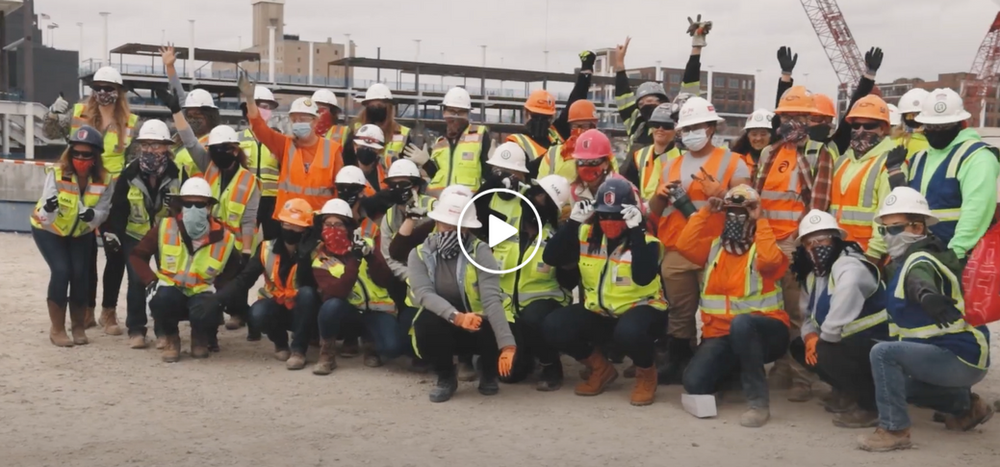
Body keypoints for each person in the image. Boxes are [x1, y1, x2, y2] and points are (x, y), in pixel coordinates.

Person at [858, 187, 993, 452]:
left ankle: (895, 430)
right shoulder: (905, 261)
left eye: (895, 229)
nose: (888, 236)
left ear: (917, 228)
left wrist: (927, 296)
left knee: (883, 354)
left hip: (957, 355)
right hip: (958, 357)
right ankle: (966, 407)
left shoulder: (919, 258)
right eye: (885, 229)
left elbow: (919, 280)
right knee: (894, 383)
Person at [648, 96, 752, 384]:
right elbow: (656, 211)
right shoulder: (670, 166)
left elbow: (749, 201)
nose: (691, 133)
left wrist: (722, 192)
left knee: (717, 310)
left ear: (710, 127)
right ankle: (680, 358)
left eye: (698, 126)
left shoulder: (734, 161)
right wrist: (657, 196)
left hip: (717, 248)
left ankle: (719, 363)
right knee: (679, 311)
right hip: (677, 247)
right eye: (686, 128)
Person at [542, 179, 667, 406]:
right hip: (601, 313)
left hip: (642, 312)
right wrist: (572, 223)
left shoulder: (648, 242)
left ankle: (646, 374)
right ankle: (600, 368)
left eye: (616, 216)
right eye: (604, 215)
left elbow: (642, 276)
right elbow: (551, 257)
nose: (609, 221)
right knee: (554, 324)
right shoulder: (587, 235)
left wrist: (637, 231)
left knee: (628, 331)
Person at [676, 185, 790, 427]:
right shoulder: (714, 247)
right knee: (694, 382)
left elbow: (770, 261)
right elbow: (684, 245)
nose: (736, 218)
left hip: (766, 333)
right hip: (721, 334)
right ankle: (734, 377)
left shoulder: (764, 246)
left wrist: (760, 220)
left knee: (742, 324)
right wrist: (707, 210)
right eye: (731, 212)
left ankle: (758, 403)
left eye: (743, 212)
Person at [43, 65, 138, 331]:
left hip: (114, 193)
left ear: (118, 92)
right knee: (84, 253)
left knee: (115, 252)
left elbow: (135, 160)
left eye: (108, 89)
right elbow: (49, 133)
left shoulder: (131, 122)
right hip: (80, 188)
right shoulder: (77, 113)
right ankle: (86, 309)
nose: (102, 93)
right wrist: (53, 113)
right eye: (97, 88)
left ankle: (109, 312)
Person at [475, 144, 575, 387]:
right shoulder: (508, 229)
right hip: (509, 309)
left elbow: (569, 281)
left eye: (544, 199)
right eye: (536, 194)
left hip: (542, 309)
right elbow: (476, 213)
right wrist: (491, 184)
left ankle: (552, 366)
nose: (537, 200)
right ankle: (525, 353)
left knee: (533, 319)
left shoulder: (554, 237)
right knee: (509, 374)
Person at [754, 85, 830, 401]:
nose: (791, 120)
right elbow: (757, 200)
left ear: (809, 118)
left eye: (798, 115)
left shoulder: (817, 153)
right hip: (767, 244)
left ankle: (802, 377)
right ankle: (781, 368)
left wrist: (806, 247)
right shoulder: (769, 153)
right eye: (786, 114)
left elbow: (820, 205)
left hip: (796, 246)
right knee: (770, 312)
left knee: (799, 315)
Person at [409, 192, 517, 402]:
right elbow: (423, 293)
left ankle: (488, 372)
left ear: (466, 228)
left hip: (479, 321)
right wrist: (455, 316)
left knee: (490, 326)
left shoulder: (481, 252)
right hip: (446, 321)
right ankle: (446, 377)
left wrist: (507, 344)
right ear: (437, 222)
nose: (450, 230)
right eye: (446, 224)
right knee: (425, 324)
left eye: (457, 226)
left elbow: (491, 299)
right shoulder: (419, 254)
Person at [788, 210, 888, 428]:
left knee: (825, 351)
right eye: (809, 243)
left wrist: (823, 339)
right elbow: (807, 317)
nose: (816, 247)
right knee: (799, 346)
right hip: (847, 343)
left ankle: (871, 406)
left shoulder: (850, 266)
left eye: (822, 239)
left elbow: (846, 294)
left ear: (835, 239)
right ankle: (848, 390)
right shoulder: (814, 277)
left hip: (877, 343)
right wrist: (810, 336)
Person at [128, 178, 239, 362]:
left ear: (209, 207)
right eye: (188, 203)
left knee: (211, 303)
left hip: (202, 292)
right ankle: (171, 339)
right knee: (161, 298)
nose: (193, 209)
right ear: (181, 205)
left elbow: (235, 267)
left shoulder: (224, 237)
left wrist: (221, 290)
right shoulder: (165, 227)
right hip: (171, 290)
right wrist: (150, 281)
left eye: (199, 204)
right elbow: (136, 255)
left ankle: (200, 338)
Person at [30, 125, 115, 347]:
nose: (80, 157)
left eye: (86, 154)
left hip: (81, 232)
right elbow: (45, 213)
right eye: (75, 152)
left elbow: (104, 212)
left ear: (96, 156)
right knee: (61, 271)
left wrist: (92, 215)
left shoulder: (106, 180)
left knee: (80, 274)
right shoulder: (57, 174)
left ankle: (78, 325)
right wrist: (49, 207)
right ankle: (56, 329)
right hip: (49, 230)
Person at [105, 120, 182, 348]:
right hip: (135, 235)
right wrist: (113, 234)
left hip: (166, 236)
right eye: (145, 145)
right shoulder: (129, 174)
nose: (150, 150)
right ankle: (136, 330)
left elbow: (187, 207)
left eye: (156, 145)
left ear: (167, 147)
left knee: (167, 281)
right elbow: (118, 208)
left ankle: (164, 331)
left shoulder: (178, 174)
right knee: (137, 280)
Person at [218, 199, 321, 370]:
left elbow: (310, 284)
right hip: (277, 306)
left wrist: (303, 258)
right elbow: (245, 279)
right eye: (287, 224)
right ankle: (280, 344)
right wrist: (218, 299)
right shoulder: (266, 248)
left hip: (304, 311)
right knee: (257, 313)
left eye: (297, 226)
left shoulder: (316, 250)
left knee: (308, 294)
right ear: (280, 224)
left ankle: (298, 350)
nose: (291, 230)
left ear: (306, 229)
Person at [901, 88, 1000, 260]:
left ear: (962, 124)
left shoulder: (977, 157)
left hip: (960, 257)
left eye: (944, 126)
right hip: (920, 254)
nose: (937, 130)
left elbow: (976, 211)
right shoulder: (919, 158)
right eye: (931, 126)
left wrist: (955, 253)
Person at [238, 71, 344, 213]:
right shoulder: (285, 145)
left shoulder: (332, 149)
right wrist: (250, 100)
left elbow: (340, 188)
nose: (298, 123)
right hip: (288, 218)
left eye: (303, 119)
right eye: (294, 120)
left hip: (318, 219)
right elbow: (259, 127)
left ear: (315, 121)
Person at [614, 16, 709, 154]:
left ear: (663, 103)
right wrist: (619, 64)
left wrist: (696, 47)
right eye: (642, 104)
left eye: (651, 101)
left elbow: (690, 85)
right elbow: (623, 96)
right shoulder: (635, 122)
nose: (647, 105)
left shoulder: (678, 118)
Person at [774, 46, 884, 161]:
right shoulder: (788, 141)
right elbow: (782, 112)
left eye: (827, 119)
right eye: (817, 118)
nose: (823, 123)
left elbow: (853, 107)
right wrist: (785, 76)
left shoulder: (835, 144)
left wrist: (869, 76)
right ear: (807, 118)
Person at [829, 95, 896, 259]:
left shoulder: (890, 162)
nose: (861, 131)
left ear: (883, 129)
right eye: (856, 125)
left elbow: (887, 214)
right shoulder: (842, 161)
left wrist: (874, 253)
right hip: (835, 251)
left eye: (869, 126)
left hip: (866, 253)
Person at [409, 87, 491, 196]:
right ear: (444, 112)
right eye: (452, 111)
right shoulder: (440, 142)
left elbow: (488, 175)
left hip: (467, 205)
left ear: (467, 114)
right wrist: (426, 163)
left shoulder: (480, 135)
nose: (455, 117)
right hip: (440, 205)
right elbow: (437, 175)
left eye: (460, 112)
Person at [161, 46, 220, 179]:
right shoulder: (177, 140)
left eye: (198, 115)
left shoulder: (214, 142)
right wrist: (170, 67)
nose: (192, 119)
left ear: (210, 116)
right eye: (190, 115)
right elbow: (180, 96)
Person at [241, 85, 282, 241]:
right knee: (248, 237)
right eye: (262, 106)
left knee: (273, 241)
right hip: (248, 197)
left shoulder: (277, 139)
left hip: (273, 199)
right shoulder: (238, 139)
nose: (265, 110)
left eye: (268, 107)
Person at [344, 83, 412, 167]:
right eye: (372, 105)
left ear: (389, 107)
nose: (375, 109)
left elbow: (408, 167)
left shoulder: (403, 133)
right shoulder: (355, 130)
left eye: (380, 105)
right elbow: (347, 160)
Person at [624, 103, 680, 201]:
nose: (660, 129)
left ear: (676, 129)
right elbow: (628, 186)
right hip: (643, 211)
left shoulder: (683, 157)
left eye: (667, 126)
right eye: (656, 124)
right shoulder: (638, 155)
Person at [568, 129, 637, 204]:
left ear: (606, 163)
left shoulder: (624, 189)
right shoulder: (575, 190)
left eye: (593, 162)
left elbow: (640, 213)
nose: (586, 166)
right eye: (581, 162)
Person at [539, 99, 599, 182]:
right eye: (575, 126)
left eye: (585, 126)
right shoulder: (554, 153)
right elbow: (541, 184)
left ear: (594, 127)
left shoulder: (604, 155)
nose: (579, 130)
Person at [506, 89, 563, 160]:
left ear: (525, 113)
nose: (539, 121)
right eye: (535, 116)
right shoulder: (516, 142)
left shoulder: (557, 135)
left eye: (545, 118)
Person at [730, 109, 777, 176]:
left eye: (763, 134)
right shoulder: (737, 160)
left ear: (772, 136)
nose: (758, 138)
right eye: (754, 134)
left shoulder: (779, 159)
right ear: (748, 136)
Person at [891, 88, 930, 159]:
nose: (914, 120)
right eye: (910, 116)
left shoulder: (937, 143)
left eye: (918, 115)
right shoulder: (894, 143)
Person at [352, 124, 390, 193]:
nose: (366, 150)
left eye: (372, 149)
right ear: (355, 146)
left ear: (379, 151)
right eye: (363, 146)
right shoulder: (346, 171)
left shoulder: (388, 169)